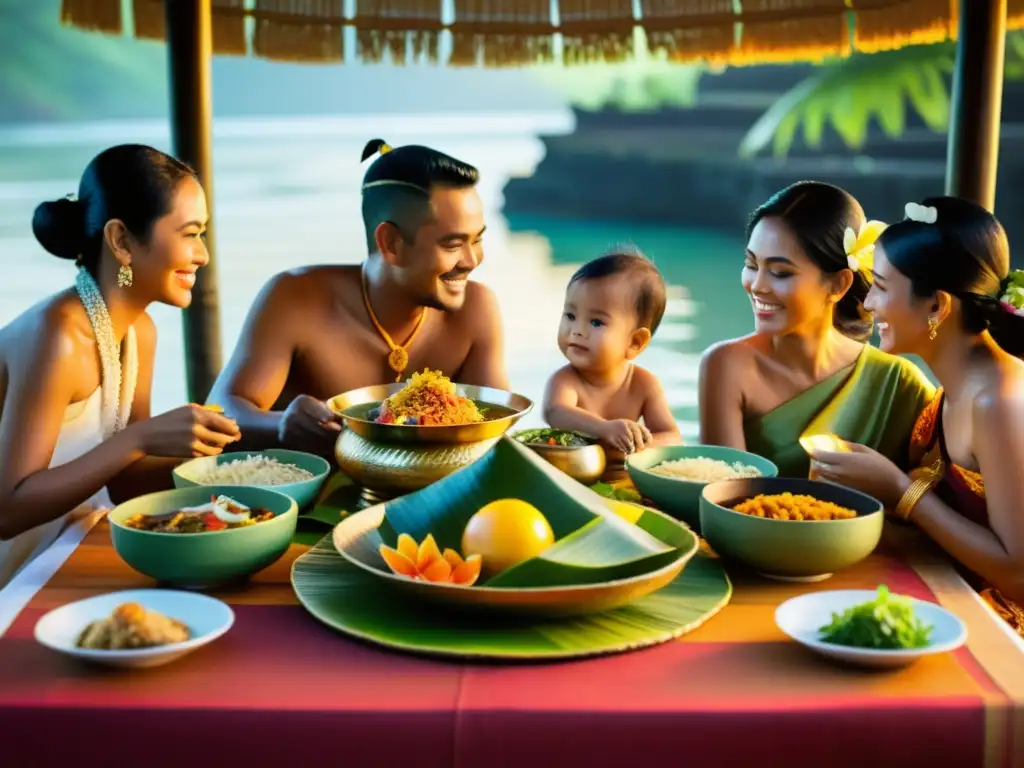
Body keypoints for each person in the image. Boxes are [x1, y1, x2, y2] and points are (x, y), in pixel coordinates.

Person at [0, 144, 241, 586]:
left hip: (60, 558)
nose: (203, 254)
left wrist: (228, 463)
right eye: (190, 234)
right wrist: (143, 437)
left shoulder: (137, 332)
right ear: (122, 241)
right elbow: (8, 510)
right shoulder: (58, 336)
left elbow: (125, 482)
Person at [210, 139, 508, 458]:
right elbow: (221, 411)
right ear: (391, 242)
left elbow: (493, 428)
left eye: (477, 240)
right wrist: (281, 423)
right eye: (452, 245)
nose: (473, 260)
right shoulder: (295, 298)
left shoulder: (476, 309)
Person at [806, 197, 1024, 633]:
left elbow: (1018, 576)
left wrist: (900, 489)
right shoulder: (961, 384)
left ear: (937, 307)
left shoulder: (998, 403)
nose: (867, 304)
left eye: (882, 287)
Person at [698, 181, 935, 477]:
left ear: (838, 284)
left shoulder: (899, 384)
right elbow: (720, 499)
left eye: (780, 272)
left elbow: (937, 489)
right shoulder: (726, 365)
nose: (757, 285)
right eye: (751, 264)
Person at [543, 247, 680, 464]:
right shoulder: (566, 380)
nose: (577, 329)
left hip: (623, 478)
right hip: (571, 475)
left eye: (596, 322)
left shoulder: (644, 384)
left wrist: (637, 448)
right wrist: (604, 429)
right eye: (570, 315)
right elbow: (556, 412)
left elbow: (672, 437)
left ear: (635, 342)